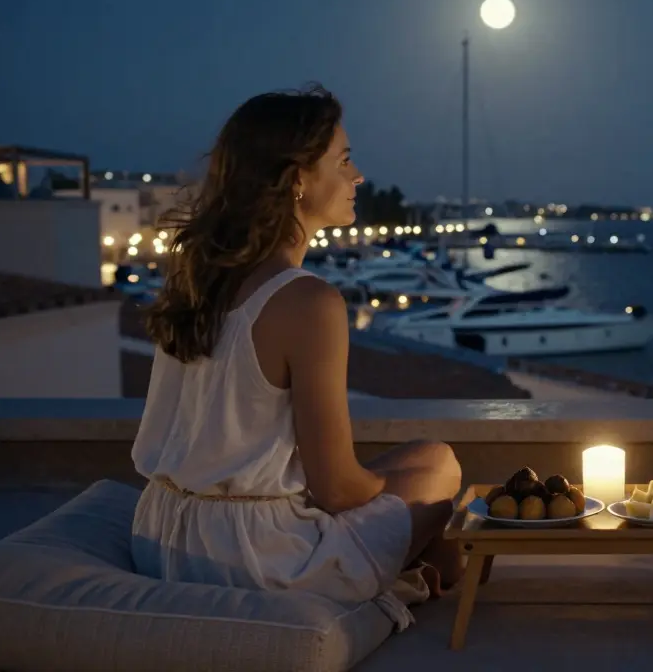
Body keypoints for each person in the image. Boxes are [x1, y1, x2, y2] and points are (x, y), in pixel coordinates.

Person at [130, 85, 463, 630]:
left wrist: (394, 503)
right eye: (344, 161)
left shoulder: (197, 278)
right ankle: (425, 559)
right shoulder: (307, 301)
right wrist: (412, 509)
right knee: (439, 470)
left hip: (161, 532)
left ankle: (426, 554)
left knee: (424, 459)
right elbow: (337, 490)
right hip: (254, 560)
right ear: (297, 180)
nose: (358, 177)